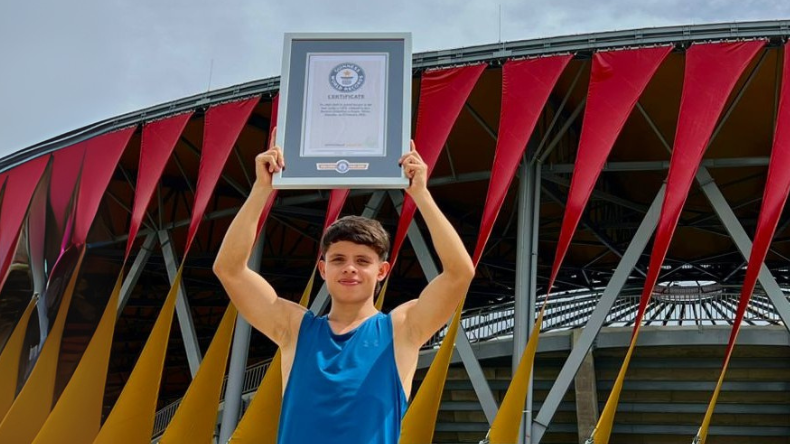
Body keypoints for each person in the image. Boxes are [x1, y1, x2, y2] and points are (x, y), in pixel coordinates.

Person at [213, 130, 475, 444]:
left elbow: (459, 273)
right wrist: (261, 189)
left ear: (382, 271)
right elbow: (228, 269)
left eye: (362, 261)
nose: (350, 267)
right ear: (323, 269)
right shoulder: (295, 329)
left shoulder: (403, 329)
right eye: (338, 259)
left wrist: (421, 194)